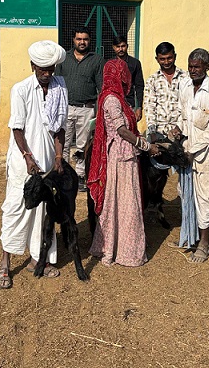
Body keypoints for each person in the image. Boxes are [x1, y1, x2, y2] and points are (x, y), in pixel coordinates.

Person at [0, 40, 68, 289]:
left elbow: (60, 127)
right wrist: (27, 157)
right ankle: (5, 264)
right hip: (23, 160)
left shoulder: (60, 87)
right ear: (32, 66)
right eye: (42, 69)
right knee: (16, 207)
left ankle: (39, 259)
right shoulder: (21, 89)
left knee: (44, 211)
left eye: (51, 69)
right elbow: (17, 127)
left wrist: (58, 157)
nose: (47, 74)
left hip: (48, 160)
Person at [87, 59, 158, 267]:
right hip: (120, 158)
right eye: (124, 75)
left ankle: (119, 247)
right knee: (124, 202)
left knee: (122, 202)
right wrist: (146, 146)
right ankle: (120, 250)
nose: (127, 79)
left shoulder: (118, 98)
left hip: (125, 156)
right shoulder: (112, 100)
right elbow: (122, 131)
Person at [170, 48, 209, 263]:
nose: (192, 70)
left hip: (205, 155)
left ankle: (204, 243)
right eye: (190, 66)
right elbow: (182, 115)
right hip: (186, 151)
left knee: (204, 198)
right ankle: (188, 236)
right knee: (185, 194)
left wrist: (191, 151)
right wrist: (177, 130)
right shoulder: (184, 85)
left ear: (207, 67)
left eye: (197, 67)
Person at [54, 28, 104, 190]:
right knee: (63, 143)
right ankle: (63, 175)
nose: (82, 42)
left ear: (90, 41)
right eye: (79, 39)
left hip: (86, 109)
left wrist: (100, 111)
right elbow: (56, 84)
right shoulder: (63, 58)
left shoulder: (97, 60)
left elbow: (101, 87)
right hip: (66, 108)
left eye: (85, 39)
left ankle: (81, 176)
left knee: (82, 145)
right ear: (73, 40)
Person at [144, 42, 187, 138]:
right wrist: (152, 131)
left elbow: (188, 104)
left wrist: (179, 127)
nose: (166, 62)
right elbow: (149, 106)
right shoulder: (152, 79)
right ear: (157, 59)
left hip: (182, 130)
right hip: (159, 131)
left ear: (175, 56)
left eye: (169, 58)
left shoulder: (185, 77)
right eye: (162, 59)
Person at [110, 35, 145, 122]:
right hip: (113, 105)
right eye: (118, 47)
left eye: (123, 46)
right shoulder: (110, 64)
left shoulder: (135, 63)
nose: (120, 49)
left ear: (127, 46)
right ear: (113, 47)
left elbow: (139, 86)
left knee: (129, 129)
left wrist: (139, 107)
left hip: (129, 104)